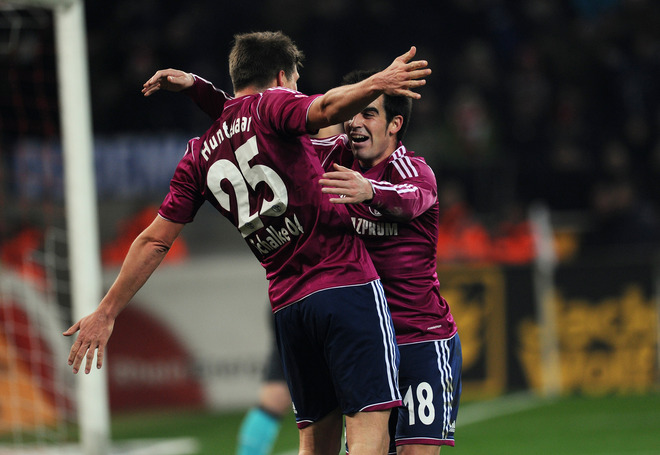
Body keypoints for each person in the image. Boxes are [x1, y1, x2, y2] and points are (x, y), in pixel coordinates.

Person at [64, 31, 432, 455]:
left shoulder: (199, 155)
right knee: (369, 433)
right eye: (295, 81)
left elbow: (153, 240)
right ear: (281, 76)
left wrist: (106, 312)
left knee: (314, 442)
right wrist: (377, 83)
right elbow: (326, 107)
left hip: (289, 307)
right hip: (345, 288)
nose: (296, 90)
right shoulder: (274, 104)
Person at [144, 66, 460, 454]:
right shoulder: (331, 158)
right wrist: (198, 89)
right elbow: (247, 121)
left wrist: (369, 191)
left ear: (395, 124)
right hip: (361, 339)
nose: (355, 122)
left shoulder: (412, 169)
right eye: (354, 112)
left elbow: (412, 198)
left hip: (417, 338)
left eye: (369, 113)